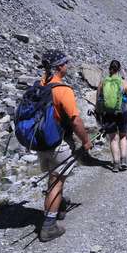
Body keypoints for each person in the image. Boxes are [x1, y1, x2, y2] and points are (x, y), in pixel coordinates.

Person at [37, 49, 92, 242]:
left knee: (53, 179)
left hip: (41, 142)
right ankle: (48, 226)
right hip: (58, 143)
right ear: (60, 66)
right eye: (65, 63)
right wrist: (86, 141)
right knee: (56, 182)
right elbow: (76, 121)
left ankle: (58, 207)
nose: (67, 66)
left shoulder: (40, 85)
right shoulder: (63, 90)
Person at [97, 60, 127, 172]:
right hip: (123, 112)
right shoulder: (124, 82)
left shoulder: (103, 82)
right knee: (123, 136)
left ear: (109, 69)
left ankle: (115, 164)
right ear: (119, 70)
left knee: (112, 138)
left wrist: (100, 114)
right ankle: (123, 160)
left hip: (108, 113)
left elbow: (98, 101)